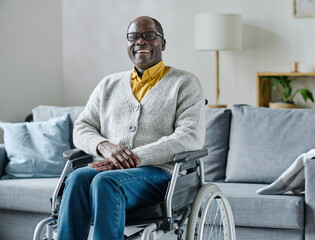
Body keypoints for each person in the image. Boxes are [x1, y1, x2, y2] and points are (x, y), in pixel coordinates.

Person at [57, 16, 205, 240]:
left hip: (160, 173)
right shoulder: (108, 84)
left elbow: (190, 137)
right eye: (133, 37)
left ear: (162, 43)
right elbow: (82, 127)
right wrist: (104, 147)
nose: (140, 42)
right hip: (111, 167)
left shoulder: (185, 83)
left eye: (149, 36)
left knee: (105, 182)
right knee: (77, 178)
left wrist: (131, 157)